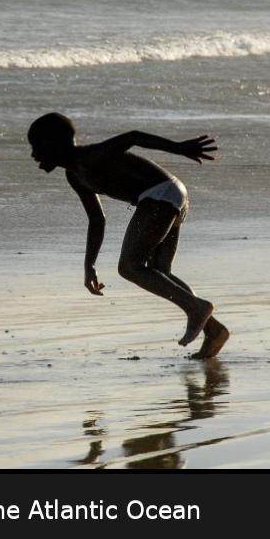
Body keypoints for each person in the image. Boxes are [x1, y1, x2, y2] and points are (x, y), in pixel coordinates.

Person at [27, 112, 229, 359]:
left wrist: (179, 148)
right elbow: (97, 219)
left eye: (36, 146)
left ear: (53, 144)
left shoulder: (90, 156)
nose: (33, 154)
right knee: (159, 271)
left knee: (130, 267)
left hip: (160, 195)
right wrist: (89, 264)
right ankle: (214, 330)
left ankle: (197, 309)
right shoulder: (75, 175)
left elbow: (133, 137)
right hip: (172, 194)